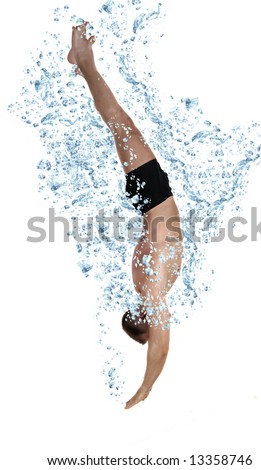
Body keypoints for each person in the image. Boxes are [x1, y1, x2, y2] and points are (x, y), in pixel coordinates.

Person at [67, 22, 183, 409]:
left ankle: (84, 62)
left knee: (118, 121)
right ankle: (84, 64)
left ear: (146, 321)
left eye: (152, 325)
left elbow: (163, 344)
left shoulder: (152, 289)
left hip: (152, 198)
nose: (159, 322)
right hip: (148, 201)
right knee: (119, 125)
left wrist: (146, 386)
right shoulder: (147, 285)